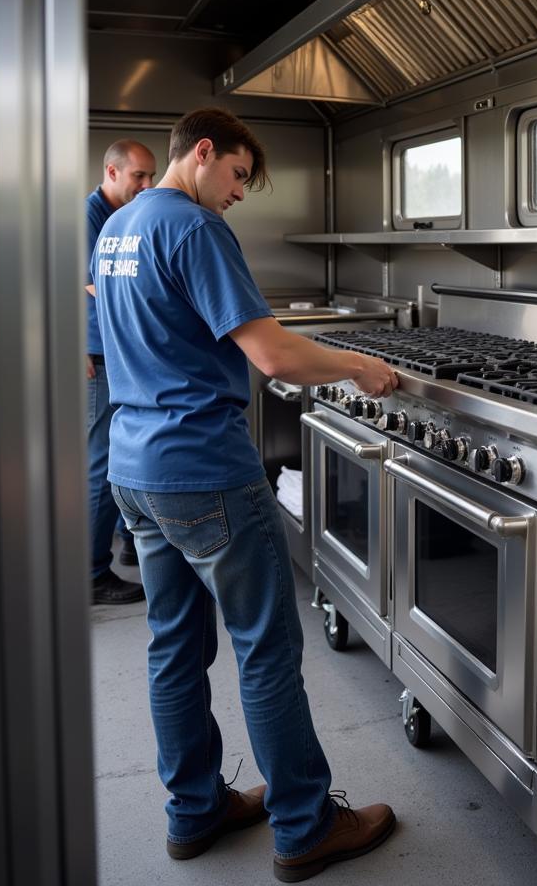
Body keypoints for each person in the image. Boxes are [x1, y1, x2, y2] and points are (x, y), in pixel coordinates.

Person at [89, 107, 399, 881]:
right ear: (202, 153)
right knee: (266, 647)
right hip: (201, 468)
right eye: (235, 175)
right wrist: (358, 367)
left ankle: (192, 812)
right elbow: (271, 355)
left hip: (136, 468)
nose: (237, 194)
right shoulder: (192, 229)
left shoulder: (118, 229)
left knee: (174, 648)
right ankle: (305, 824)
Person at [86, 139, 156, 604]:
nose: (148, 185)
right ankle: (91, 575)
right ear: (112, 173)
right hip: (97, 356)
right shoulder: (88, 218)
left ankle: (129, 544)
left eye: (152, 176)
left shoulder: (119, 217)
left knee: (117, 456)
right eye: (139, 177)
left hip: (116, 352)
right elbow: (97, 285)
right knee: (102, 464)